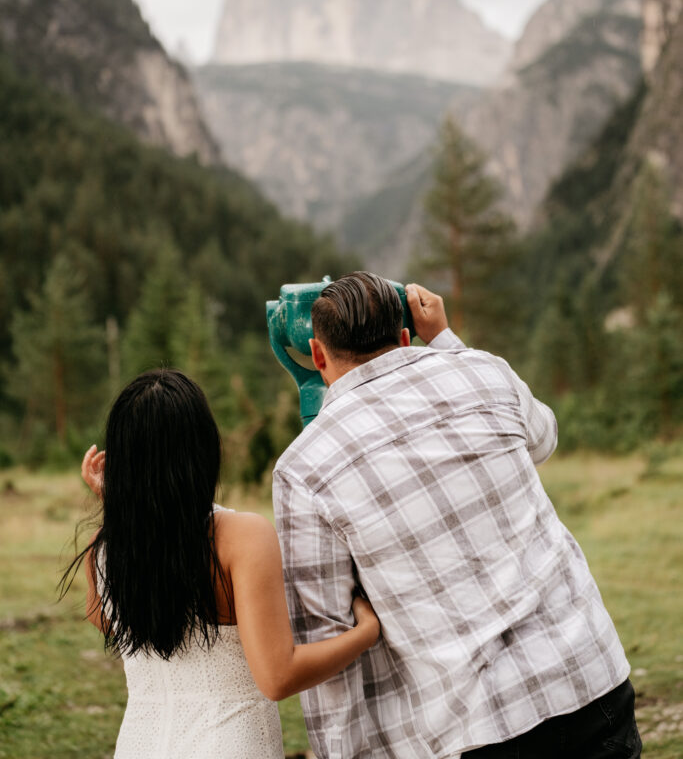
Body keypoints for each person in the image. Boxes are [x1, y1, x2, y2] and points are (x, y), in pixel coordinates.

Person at [272, 272, 641, 759]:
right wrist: (446, 342)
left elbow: (325, 633)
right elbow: (544, 437)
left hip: (478, 726)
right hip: (590, 680)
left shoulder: (304, 468)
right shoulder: (482, 371)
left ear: (318, 356)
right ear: (405, 338)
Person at [67, 368, 379, 759]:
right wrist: (365, 633)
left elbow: (106, 619)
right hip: (229, 744)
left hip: (139, 745)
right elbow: (278, 677)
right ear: (202, 450)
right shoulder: (242, 537)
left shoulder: (104, 546)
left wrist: (120, 510)